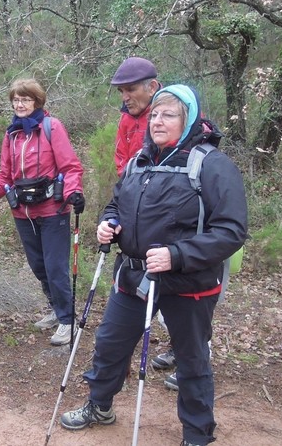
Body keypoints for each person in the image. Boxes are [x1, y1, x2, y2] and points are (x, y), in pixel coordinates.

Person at [60, 84, 248, 446]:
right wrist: (109, 224)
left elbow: (231, 231)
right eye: (156, 115)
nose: (158, 121)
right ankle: (100, 405)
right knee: (110, 344)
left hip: (189, 283)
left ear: (189, 119)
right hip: (133, 276)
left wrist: (177, 255)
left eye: (170, 114)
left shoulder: (212, 165)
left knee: (192, 360)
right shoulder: (139, 162)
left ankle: (197, 434)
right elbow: (117, 204)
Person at [0, 78, 84, 346]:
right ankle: (56, 309)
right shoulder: (12, 134)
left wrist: (73, 193)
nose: (20, 104)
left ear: (37, 101)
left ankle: (68, 320)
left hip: (53, 210)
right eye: (16, 100)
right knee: (39, 267)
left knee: (56, 268)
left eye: (25, 99)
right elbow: (5, 175)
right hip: (23, 212)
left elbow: (70, 167)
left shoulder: (51, 127)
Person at [110, 56, 180, 389]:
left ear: (153, 86)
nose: (126, 97)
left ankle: (188, 353)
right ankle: (115, 370)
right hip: (133, 219)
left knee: (178, 306)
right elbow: (123, 162)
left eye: (131, 89)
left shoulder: (177, 116)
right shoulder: (127, 120)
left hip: (170, 230)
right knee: (126, 295)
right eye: (122, 91)